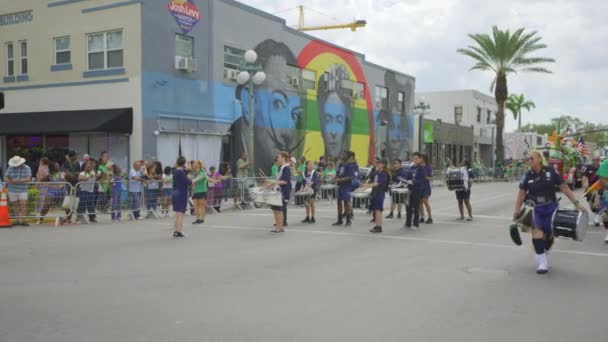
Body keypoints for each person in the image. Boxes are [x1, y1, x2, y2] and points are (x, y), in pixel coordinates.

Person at [513, 150, 584, 274]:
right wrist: (516, 211)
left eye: (531, 158)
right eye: (528, 159)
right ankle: (542, 262)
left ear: (539, 159)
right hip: (535, 210)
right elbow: (521, 193)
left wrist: (576, 203)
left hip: (551, 208)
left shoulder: (551, 172)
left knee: (549, 236)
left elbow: (564, 187)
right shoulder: (527, 175)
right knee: (537, 233)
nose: (529, 161)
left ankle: (544, 251)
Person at [265, 151, 291, 233]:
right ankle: (278, 227)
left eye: (279, 157)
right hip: (278, 191)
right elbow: (279, 180)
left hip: (283, 192)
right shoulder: (281, 167)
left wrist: (272, 182)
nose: (277, 158)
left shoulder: (286, 168)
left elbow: (285, 181)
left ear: (284, 158)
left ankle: (280, 227)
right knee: (275, 209)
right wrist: (270, 184)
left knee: (279, 210)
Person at [362, 159, 390, 233]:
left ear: (383, 164)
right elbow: (372, 181)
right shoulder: (377, 172)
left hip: (380, 193)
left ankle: (379, 226)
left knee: (378, 210)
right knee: (376, 210)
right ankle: (377, 225)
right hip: (375, 192)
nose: (377, 164)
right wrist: (365, 186)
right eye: (377, 163)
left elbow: (377, 184)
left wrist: (367, 185)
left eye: (379, 163)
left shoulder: (384, 173)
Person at [333, 151, 358, 227]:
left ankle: (348, 220)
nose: (343, 155)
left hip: (346, 186)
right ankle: (339, 219)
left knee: (346, 203)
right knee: (339, 202)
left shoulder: (350, 165)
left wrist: (339, 180)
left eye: (344, 154)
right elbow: (338, 174)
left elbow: (350, 177)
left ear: (349, 156)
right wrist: (334, 178)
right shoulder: (341, 164)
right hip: (340, 185)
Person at [5, 156, 32, 226]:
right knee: (15, 206)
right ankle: (17, 220)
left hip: (23, 189)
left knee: (23, 205)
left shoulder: (27, 168)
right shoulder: (10, 167)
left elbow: (28, 178)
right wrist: (8, 181)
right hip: (12, 189)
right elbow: (5, 176)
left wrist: (17, 181)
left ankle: (23, 220)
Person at [405, 152, 426, 229]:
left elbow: (422, 180)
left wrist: (413, 182)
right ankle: (408, 223)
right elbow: (408, 176)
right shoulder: (412, 167)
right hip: (410, 188)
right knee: (408, 207)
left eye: (416, 158)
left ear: (420, 159)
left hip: (417, 189)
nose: (414, 160)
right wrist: (406, 180)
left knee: (416, 207)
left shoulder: (422, 168)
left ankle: (415, 224)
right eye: (413, 158)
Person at [172, 156, 191, 238]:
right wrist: (189, 175)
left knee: (177, 214)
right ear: (183, 163)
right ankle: (179, 231)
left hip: (176, 192)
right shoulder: (181, 172)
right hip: (182, 193)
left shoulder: (175, 171)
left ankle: (176, 231)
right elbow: (188, 182)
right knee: (181, 214)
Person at [583, 156, 602, 226]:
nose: (595, 161)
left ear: (599, 160)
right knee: (591, 205)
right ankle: (595, 214)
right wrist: (584, 183)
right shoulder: (588, 167)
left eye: (597, 160)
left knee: (597, 203)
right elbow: (584, 176)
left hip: (599, 188)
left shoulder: (602, 168)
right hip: (590, 188)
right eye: (594, 160)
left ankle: (596, 218)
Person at [419, 154, 433, 224]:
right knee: (420, 202)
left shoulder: (428, 167)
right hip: (419, 186)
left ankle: (430, 217)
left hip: (425, 186)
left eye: (421, 158)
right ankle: (422, 217)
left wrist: (426, 176)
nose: (419, 159)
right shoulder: (418, 166)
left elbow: (430, 177)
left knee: (425, 201)